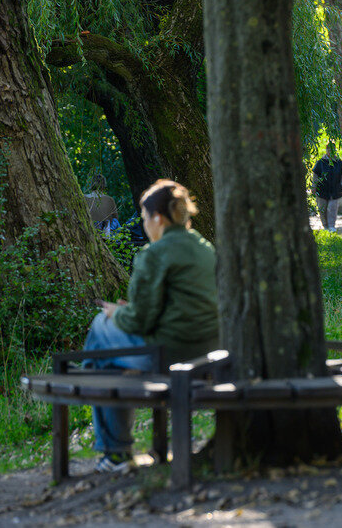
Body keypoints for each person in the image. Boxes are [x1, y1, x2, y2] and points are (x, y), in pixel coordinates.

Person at [83, 179, 219, 472]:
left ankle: (115, 452)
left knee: (100, 328)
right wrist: (129, 312)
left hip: (170, 356)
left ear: (158, 218)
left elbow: (138, 321)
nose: (144, 225)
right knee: (108, 353)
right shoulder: (206, 249)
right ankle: (113, 446)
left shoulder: (153, 254)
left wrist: (114, 313)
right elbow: (176, 306)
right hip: (210, 352)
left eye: (144, 218)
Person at [312, 141, 342, 232]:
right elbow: (315, 175)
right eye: (329, 149)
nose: (330, 151)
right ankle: (325, 225)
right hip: (322, 190)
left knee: (332, 208)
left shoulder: (339, 162)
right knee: (322, 208)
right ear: (326, 150)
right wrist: (314, 186)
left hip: (335, 189)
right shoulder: (320, 162)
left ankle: (332, 225)